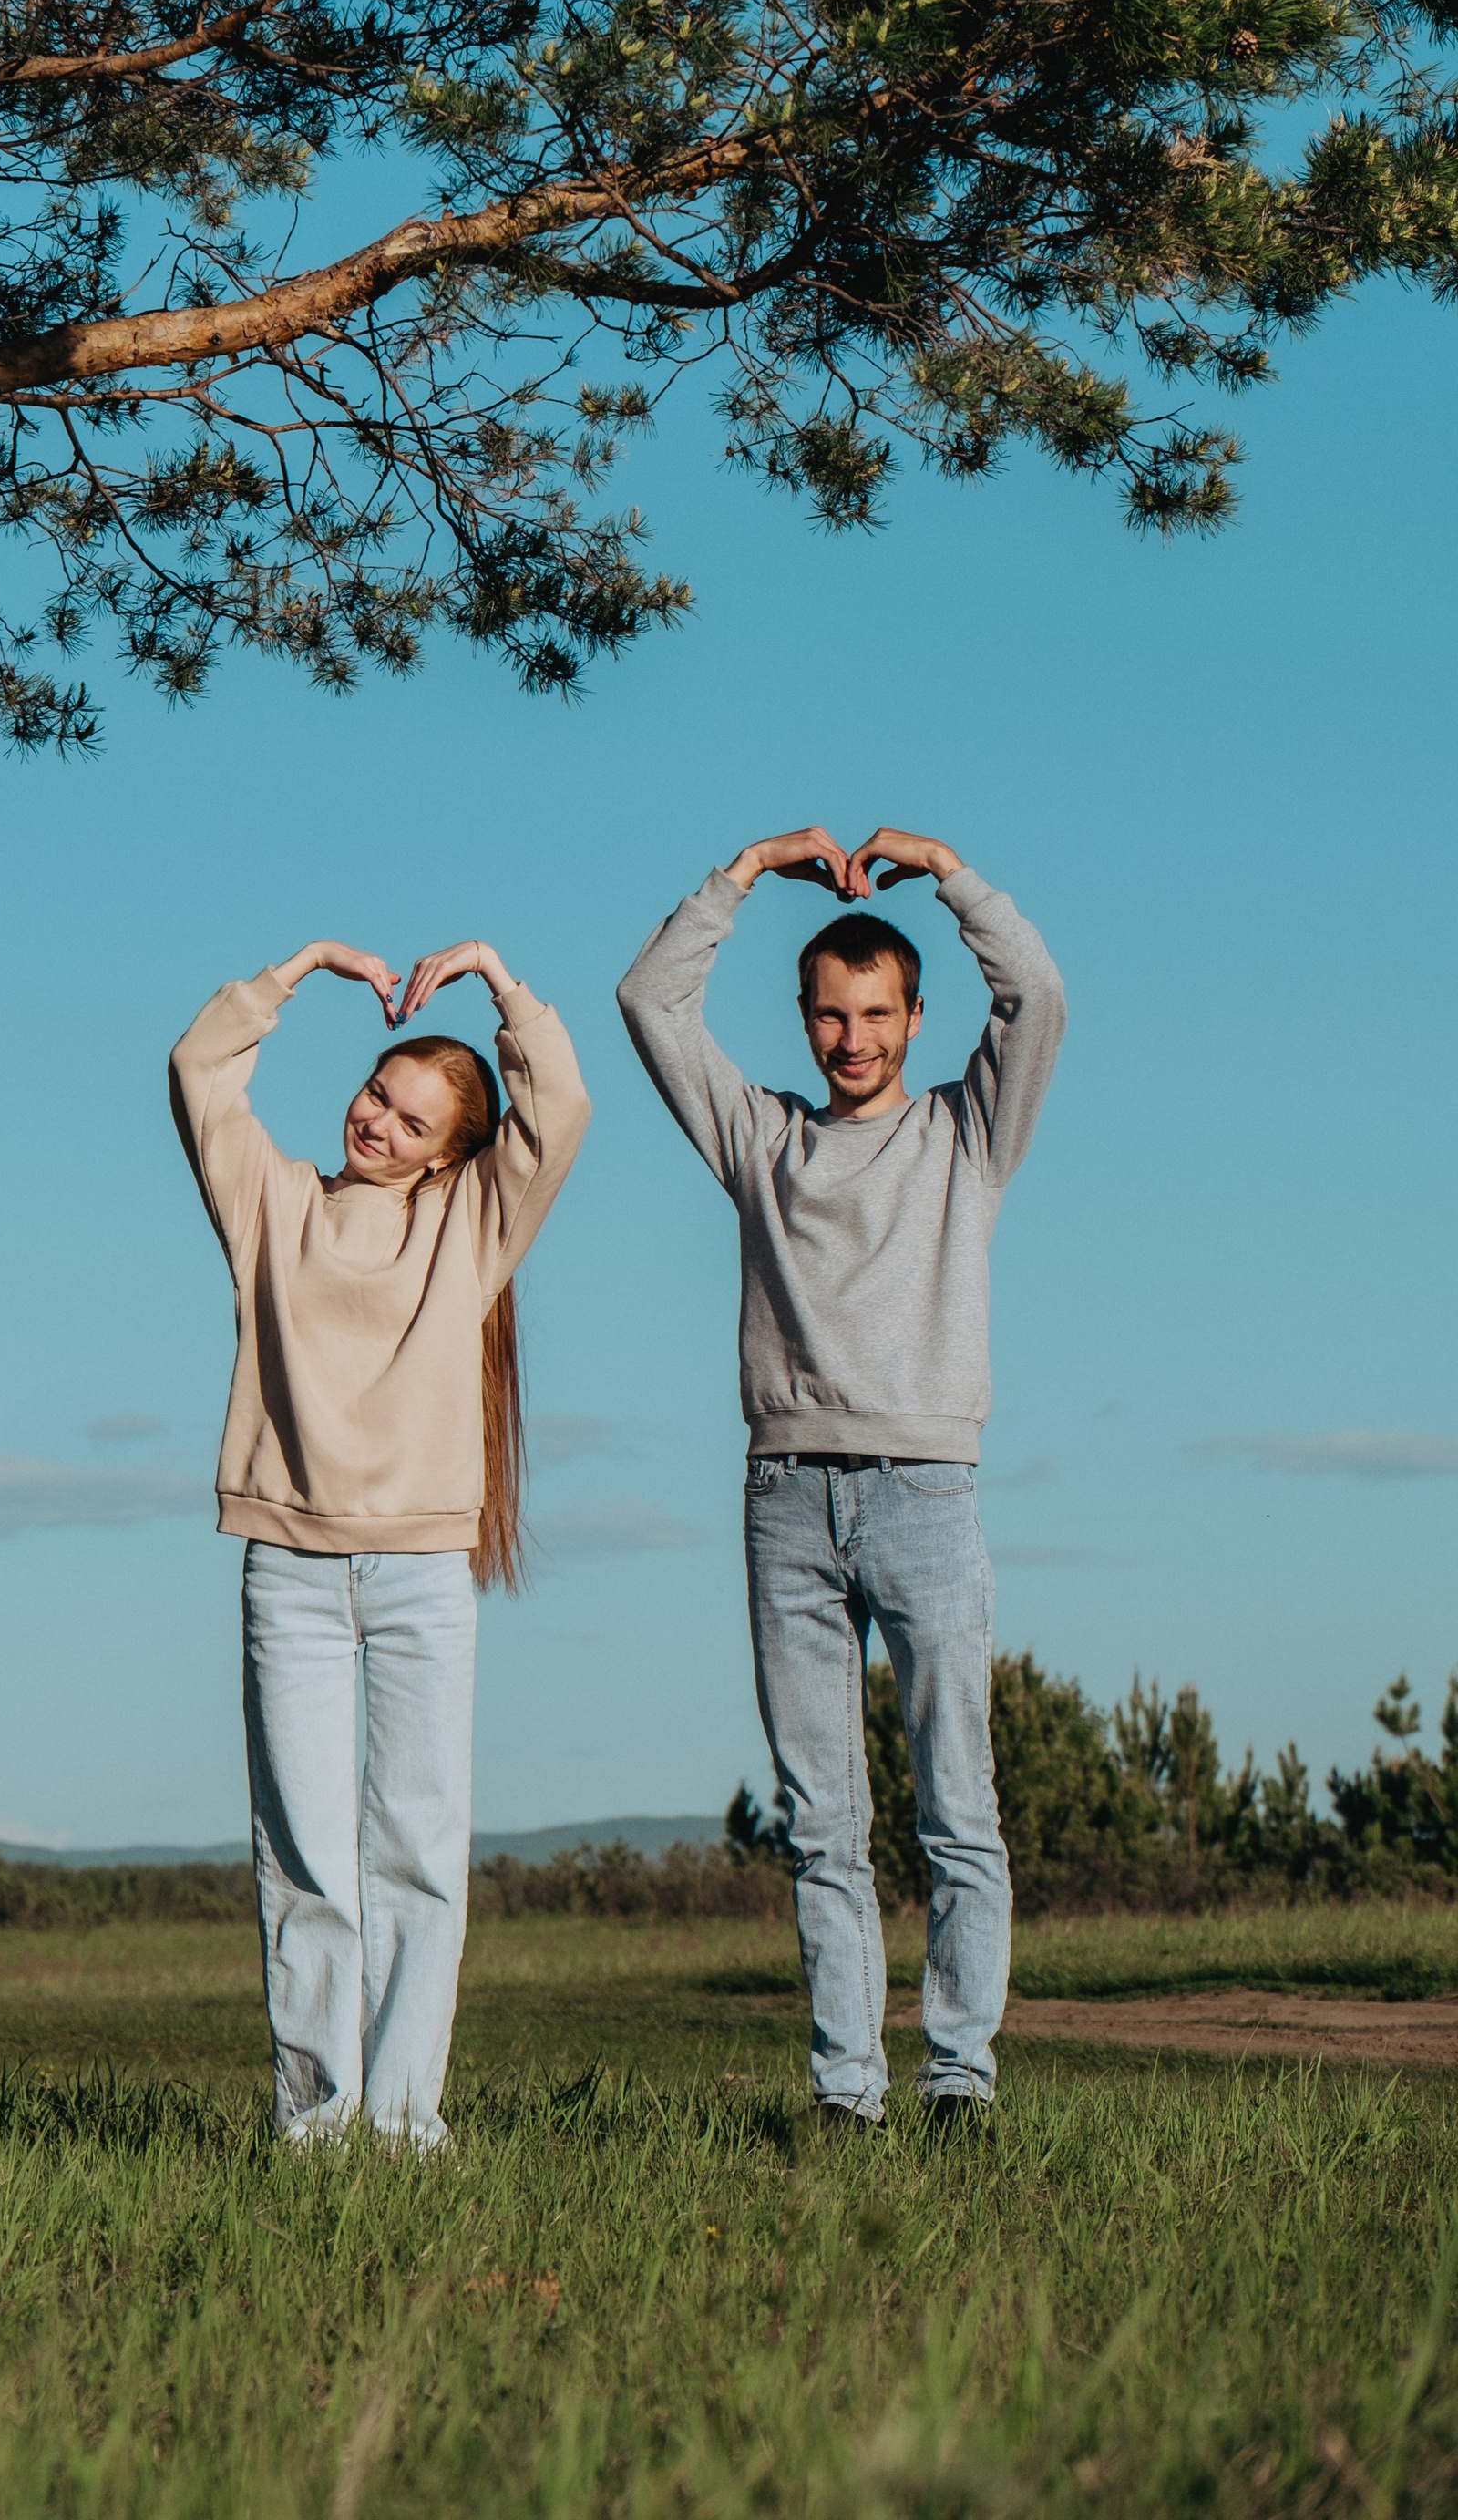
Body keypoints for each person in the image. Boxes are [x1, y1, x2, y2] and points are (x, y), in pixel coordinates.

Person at [616, 825, 1066, 2133]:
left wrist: (954, 874)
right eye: (829, 1015)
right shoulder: (760, 1143)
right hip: (786, 1503)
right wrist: (745, 874)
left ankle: (961, 2084)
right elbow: (650, 1001)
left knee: (956, 1812)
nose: (852, 1038)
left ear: (918, 1018)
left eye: (876, 1014)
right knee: (824, 1825)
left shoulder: (967, 1137)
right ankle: (845, 2097)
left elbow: (1036, 994)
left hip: (927, 1496)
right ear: (805, 1021)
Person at [169, 932, 590, 2148]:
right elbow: (199, 1072)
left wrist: (500, 980)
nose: (378, 1126)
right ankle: (317, 2124)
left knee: (416, 1848)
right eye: (375, 1095)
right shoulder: (272, 1204)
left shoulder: (473, 1226)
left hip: (420, 1573)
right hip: (289, 1571)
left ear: (454, 1155)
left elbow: (560, 1104)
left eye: (412, 1123)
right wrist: (289, 976)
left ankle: (404, 2125)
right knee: (304, 1860)